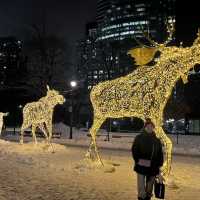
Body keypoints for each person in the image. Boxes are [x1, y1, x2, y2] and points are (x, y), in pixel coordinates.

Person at [132, 118, 164, 200]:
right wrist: (138, 160)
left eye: (151, 126)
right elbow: (134, 150)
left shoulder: (157, 140)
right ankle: (141, 198)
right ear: (145, 127)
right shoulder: (139, 138)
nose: (149, 128)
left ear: (153, 128)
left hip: (153, 167)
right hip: (141, 166)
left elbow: (160, 154)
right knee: (141, 188)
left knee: (149, 188)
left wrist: (159, 165)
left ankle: (148, 198)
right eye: (148, 126)